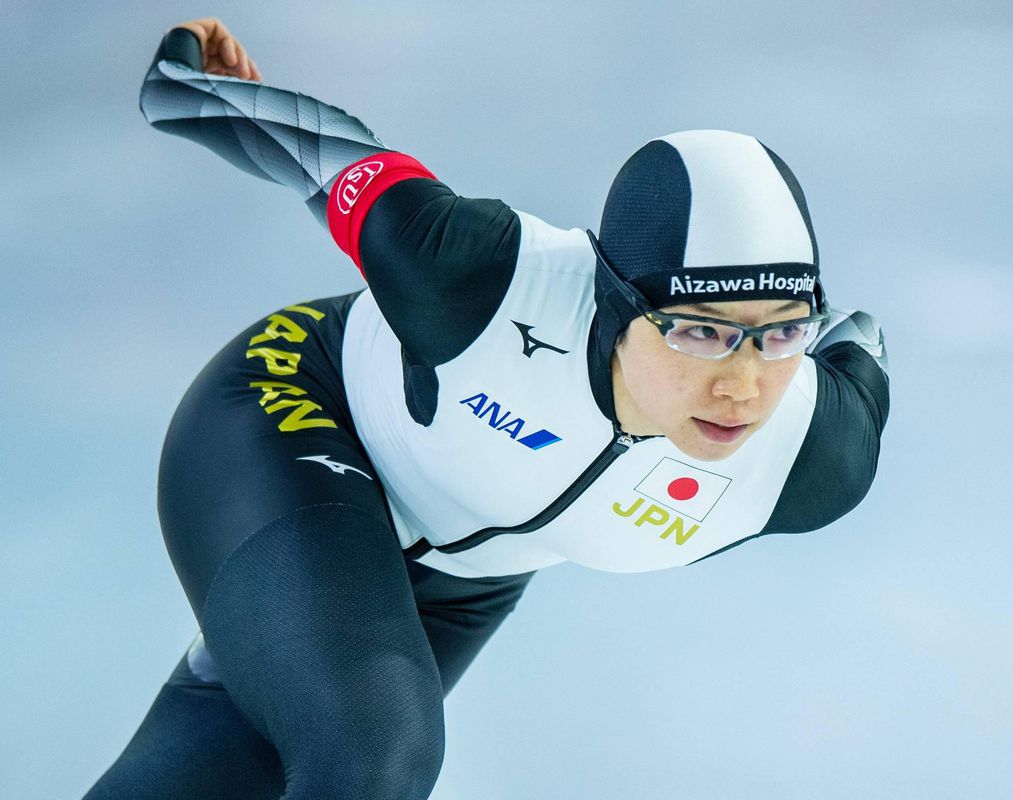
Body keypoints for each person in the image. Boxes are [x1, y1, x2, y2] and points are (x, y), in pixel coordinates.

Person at [84, 16, 890, 800]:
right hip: (295, 412)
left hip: (467, 574)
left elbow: (863, 345)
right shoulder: (483, 278)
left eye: (782, 333)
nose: (744, 386)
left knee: (232, 771)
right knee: (373, 756)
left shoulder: (813, 458)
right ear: (611, 301)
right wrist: (186, 82)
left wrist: (802, 340)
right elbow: (323, 157)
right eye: (699, 332)